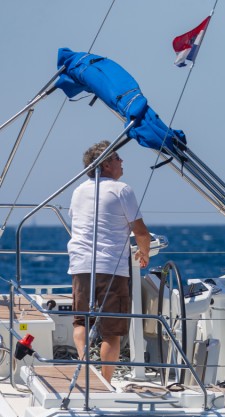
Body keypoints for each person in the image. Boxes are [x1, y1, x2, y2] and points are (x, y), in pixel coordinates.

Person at [68, 141, 152, 383]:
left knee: (80, 321)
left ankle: (86, 368)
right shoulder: (121, 189)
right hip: (111, 268)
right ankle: (103, 382)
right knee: (112, 332)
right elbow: (141, 232)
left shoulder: (78, 191)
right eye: (117, 158)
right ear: (105, 164)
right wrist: (144, 254)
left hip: (80, 265)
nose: (122, 162)